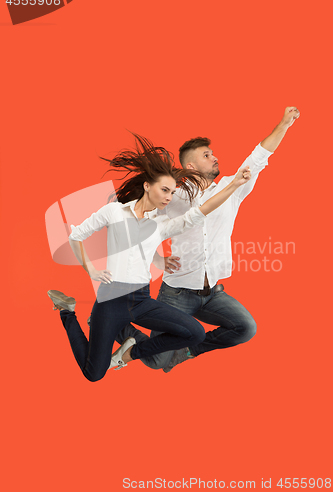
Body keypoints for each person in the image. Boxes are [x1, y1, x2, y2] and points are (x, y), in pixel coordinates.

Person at [47, 134, 252, 382]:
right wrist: (90, 269)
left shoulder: (160, 224)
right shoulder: (114, 212)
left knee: (195, 333)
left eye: (172, 192)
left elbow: (202, 210)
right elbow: (76, 236)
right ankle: (68, 312)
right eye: (165, 190)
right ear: (147, 186)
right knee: (94, 374)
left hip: (142, 300)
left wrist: (234, 185)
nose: (169, 197)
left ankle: (129, 353)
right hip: (111, 300)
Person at [115, 107, 300, 373]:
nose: (215, 158)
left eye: (212, 153)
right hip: (176, 293)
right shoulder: (173, 196)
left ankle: (187, 350)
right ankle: (111, 322)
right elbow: (140, 226)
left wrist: (284, 124)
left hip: (212, 293)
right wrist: (156, 258)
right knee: (157, 362)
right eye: (207, 155)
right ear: (191, 166)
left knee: (245, 328)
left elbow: (259, 157)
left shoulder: (231, 187)